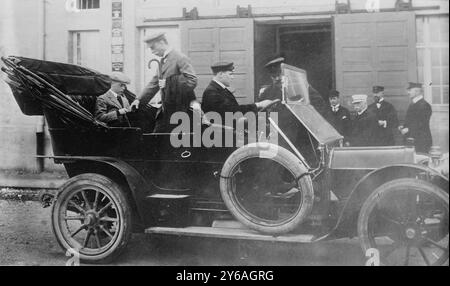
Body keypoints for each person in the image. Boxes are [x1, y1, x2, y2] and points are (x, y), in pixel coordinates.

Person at [130, 32, 200, 132]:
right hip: (166, 111)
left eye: (153, 47)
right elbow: (154, 83)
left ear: (162, 42)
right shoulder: (163, 60)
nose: (152, 52)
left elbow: (192, 80)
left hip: (180, 110)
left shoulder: (180, 57)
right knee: (157, 139)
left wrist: (168, 83)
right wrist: (139, 100)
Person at [202, 62, 274, 122]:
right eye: (230, 74)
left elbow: (233, 109)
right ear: (220, 74)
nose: (232, 77)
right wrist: (258, 105)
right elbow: (232, 111)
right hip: (221, 134)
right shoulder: (211, 92)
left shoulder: (219, 89)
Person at [398, 82, 432, 153]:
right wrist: (404, 126)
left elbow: (422, 123)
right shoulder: (413, 103)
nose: (408, 92)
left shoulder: (425, 105)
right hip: (412, 139)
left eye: (410, 90)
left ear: (416, 91)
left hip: (421, 140)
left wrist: (408, 129)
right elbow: (412, 120)